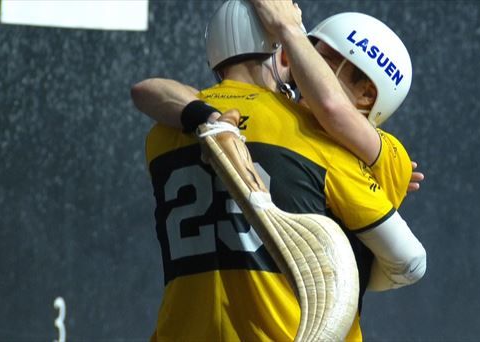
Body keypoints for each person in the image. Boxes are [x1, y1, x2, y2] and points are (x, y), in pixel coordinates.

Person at [131, 1, 425, 341]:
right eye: (306, 50)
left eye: (321, 56)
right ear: (285, 56)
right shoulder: (314, 139)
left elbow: (150, 91)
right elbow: (408, 262)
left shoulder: (167, 130)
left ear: (366, 94)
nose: (306, 63)